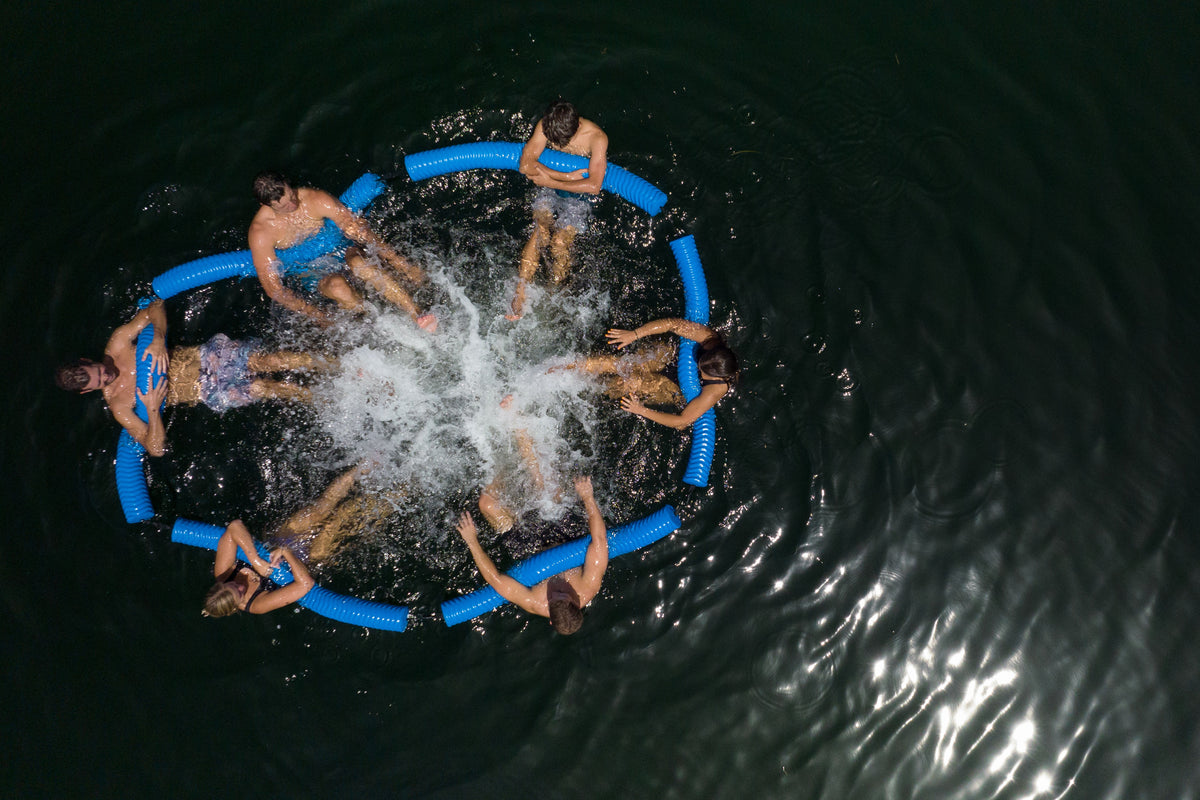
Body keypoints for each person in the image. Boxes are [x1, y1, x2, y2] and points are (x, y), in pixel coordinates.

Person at [56, 302, 329, 456]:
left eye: (100, 370)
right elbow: (155, 449)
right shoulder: (119, 405)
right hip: (206, 391)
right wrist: (152, 410)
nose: (108, 375)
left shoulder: (118, 344)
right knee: (265, 387)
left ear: (86, 361)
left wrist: (159, 338)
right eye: (101, 381)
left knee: (272, 361)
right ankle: (326, 398)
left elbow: (155, 307)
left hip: (208, 357)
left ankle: (340, 366)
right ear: (88, 392)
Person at [248, 171, 437, 331]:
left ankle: (416, 313)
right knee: (338, 287)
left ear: (288, 185)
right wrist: (318, 315)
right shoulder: (261, 232)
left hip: (345, 250)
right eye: (284, 206)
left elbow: (359, 231)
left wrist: (401, 263)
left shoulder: (315, 199)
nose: (293, 205)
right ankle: (373, 322)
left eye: (291, 196)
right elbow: (274, 290)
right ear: (267, 205)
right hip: (314, 274)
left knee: (361, 265)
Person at [202, 463, 370, 617]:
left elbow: (235, 526)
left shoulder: (223, 573)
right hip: (305, 559)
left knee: (320, 509)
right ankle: (393, 496)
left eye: (231, 585)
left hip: (281, 539)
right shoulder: (257, 604)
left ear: (221, 585)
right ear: (235, 607)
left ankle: (367, 464)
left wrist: (256, 560)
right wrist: (286, 553)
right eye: (239, 593)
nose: (239, 586)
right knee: (339, 520)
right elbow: (305, 585)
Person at [457, 476, 608, 635]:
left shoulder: (534, 602)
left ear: (549, 618)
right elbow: (599, 539)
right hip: (564, 536)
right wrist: (587, 497)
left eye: (552, 598)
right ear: (577, 603)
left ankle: (496, 467)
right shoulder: (589, 585)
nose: (555, 590)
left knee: (486, 504)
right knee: (540, 476)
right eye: (563, 593)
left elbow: (495, 578)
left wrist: (471, 540)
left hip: (530, 548)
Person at [507, 100, 609, 320]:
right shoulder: (548, 125)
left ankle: (554, 293)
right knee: (540, 230)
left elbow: (594, 186)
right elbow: (525, 165)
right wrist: (563, 177)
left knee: (560, 241)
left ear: (577, 127)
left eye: (563, 142)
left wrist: (550, 180)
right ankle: (520, 293)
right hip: (551, 184)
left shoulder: (596, 138)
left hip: (578, 196)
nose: (559, 147)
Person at [605, 319, 739, 429]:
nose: (696, 366)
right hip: (673, 357)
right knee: (617, 364)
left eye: (701, 370)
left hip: (676, 386)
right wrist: (634, 334)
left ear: (714, 376)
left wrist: (641, 410)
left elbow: (682, 421)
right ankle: (584, 368)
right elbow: (671, 324)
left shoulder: (717, 388)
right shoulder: (710, 340)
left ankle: (594, 388)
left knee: (624, 385)